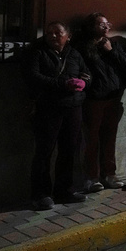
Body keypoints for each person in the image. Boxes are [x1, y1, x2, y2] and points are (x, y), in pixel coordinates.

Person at [23, 21, 91, 210]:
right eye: (49, 33)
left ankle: (65, 190)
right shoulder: (38, 52)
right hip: (48, 108)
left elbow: (86, 73)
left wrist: (83, 83)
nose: (53, 36)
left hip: (73, 108)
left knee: (69, 150)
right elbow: (33, 76)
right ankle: (40, 194)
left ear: (67, 36)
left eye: (58, 33)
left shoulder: (74, 54)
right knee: (44, 151)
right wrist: (62, 84)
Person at [73, 13, 126, 192]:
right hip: (93, 100)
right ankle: (92, 177)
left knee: (109, 138)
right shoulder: (82, 46)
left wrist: (110, 51)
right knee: (92, 139)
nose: (106, 27)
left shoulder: (113, 44)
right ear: (91, 27)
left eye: (107, 23)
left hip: (113, 98)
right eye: (101, 24)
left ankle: (109, 174)